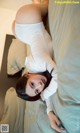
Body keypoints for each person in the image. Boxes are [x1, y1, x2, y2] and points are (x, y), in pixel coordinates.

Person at [12, 0, 66, 132]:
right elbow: (46, 93)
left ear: (28, 75)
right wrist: (49, 112)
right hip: (21, 33)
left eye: (32, 84)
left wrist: (44, 94)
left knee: (47, 5)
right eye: (37, 90)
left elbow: (57, 75)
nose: (40, 85)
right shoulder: (36, 72)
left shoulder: (39, 62)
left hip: (27, 18)